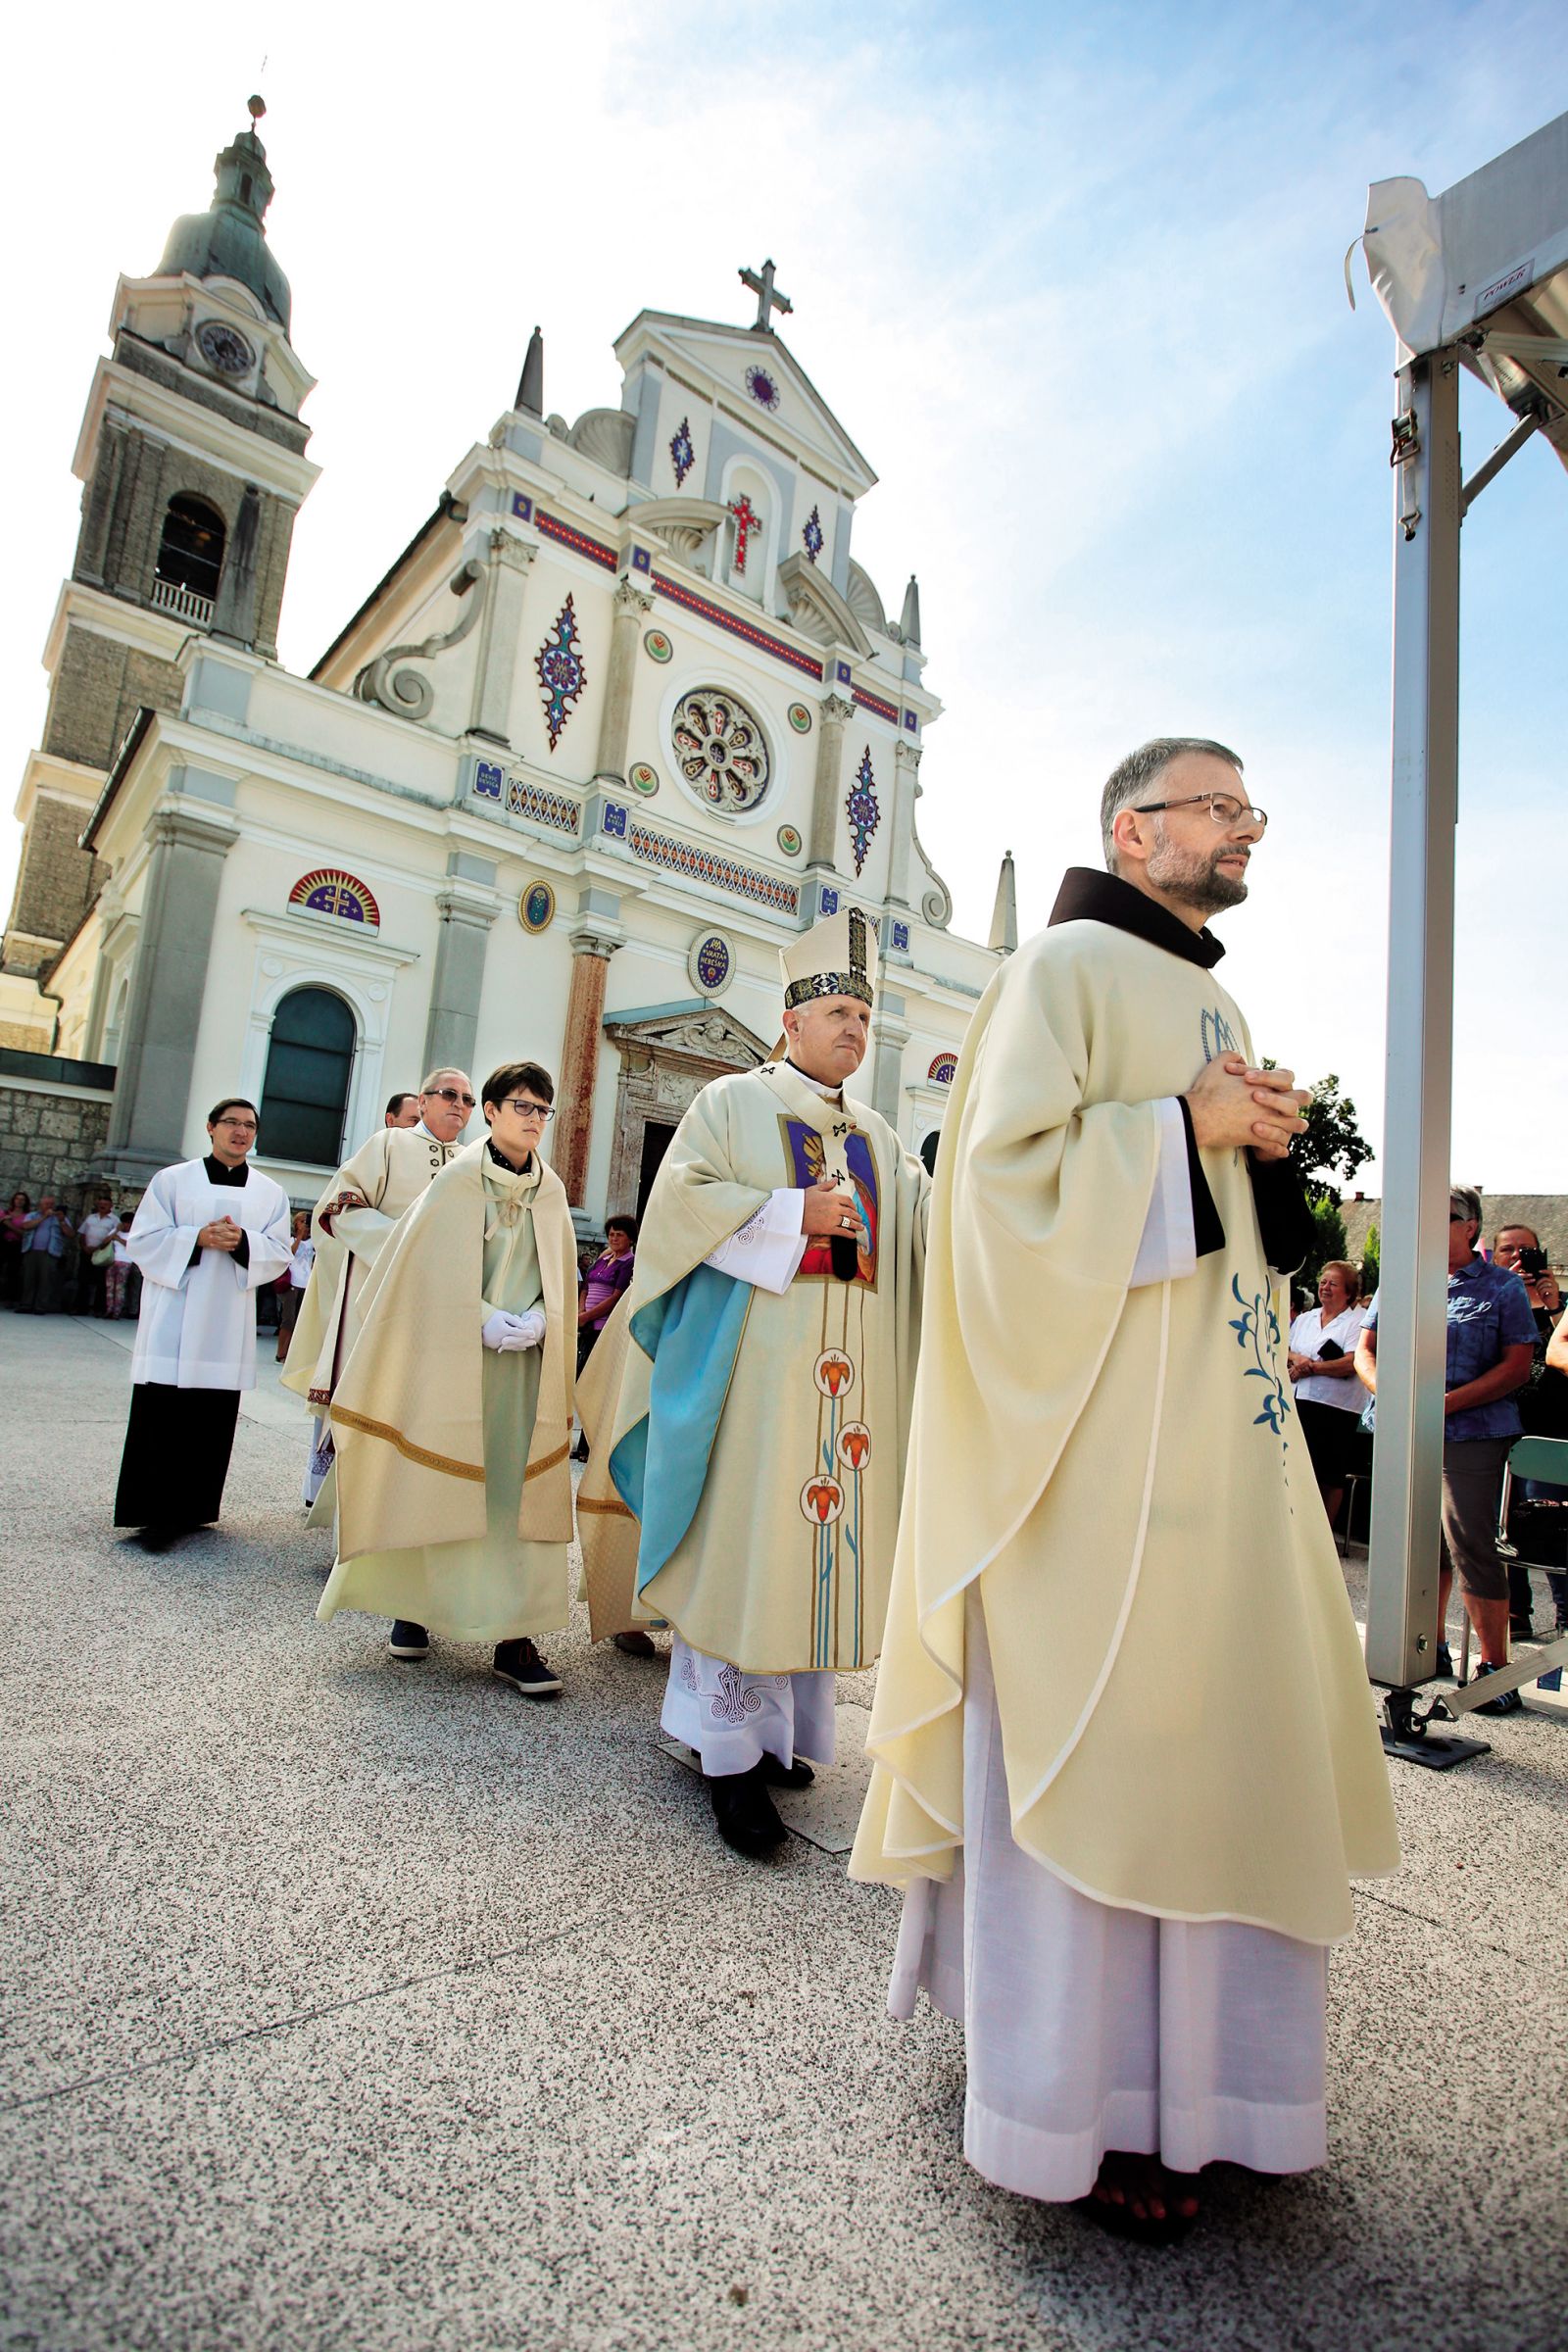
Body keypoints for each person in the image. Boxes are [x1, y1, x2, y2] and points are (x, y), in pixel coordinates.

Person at [852, 739, 1398, 2239]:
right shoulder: (1060, 968)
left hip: (1217, 1443)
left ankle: (1217, 2093)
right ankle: (1074, 2108)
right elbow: (997, 1199)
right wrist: (1180, 1129)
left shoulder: (1218, 999)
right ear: (1132, 829)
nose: (1245, 830)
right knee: (1097, 1748)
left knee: (1220, 1746)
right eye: (1219, 807)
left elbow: (1228, 1231)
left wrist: (1261, 1152)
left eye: (1250, 811)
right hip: (1090, 1463)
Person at [576, 907, 931, 1857]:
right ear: (791, 1020)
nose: (855, 1029)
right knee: (744, 1554)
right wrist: (789, 1210)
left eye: (865, 1015)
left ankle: (775, 1737)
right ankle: (725, 1755)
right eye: (839, 1013)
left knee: (805, 1560)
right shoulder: (731, 1104)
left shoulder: (882, 1139)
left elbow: (929, 1235)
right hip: (751, 1391)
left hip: (846, 1400)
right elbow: (678, 1209)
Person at [317, 1061, 577, 1695]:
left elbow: (560, 1275)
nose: (534, 1119)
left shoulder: (551, 1191)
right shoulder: (457, 1181)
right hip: (453, 1361)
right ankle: (415, 1608)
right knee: (435, 1478)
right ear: (491, 1111)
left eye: (543, 1110)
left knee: (516, 1497)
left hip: (522, 1372)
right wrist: (481, 1318)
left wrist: (541, 1319)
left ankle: (516, 1637)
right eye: (522, 1106)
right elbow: (424, 1271)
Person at [1355, 1186, 1537, 1702]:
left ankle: (1495, 1670)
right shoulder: (1402, 1279)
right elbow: (1365, 1350)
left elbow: (1517, 1366)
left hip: (1471, 1432)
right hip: (1403, 1431)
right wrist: (1389, 1395)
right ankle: (1427, 1646)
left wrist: (1447, 1404)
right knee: (1415, 1544)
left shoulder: (1502, 1286)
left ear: (1470, 1226)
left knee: (1470, 1544)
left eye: (1443, 1214)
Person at [281, 1069, 474, 1506]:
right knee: (365, 1390)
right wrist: (404, 1245)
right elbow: (339, 1211)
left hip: (440, 1303)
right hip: (375, 1295)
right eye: (449, 1094)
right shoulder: (388, 1144)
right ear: (422, 1101)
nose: (459, 1105)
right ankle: (339, 1501)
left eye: (468, 1099)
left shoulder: (472, 1161)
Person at [114, 1100, 292, 1550]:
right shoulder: (172, 1180)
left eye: (249, 1125)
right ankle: (152, 1516)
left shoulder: (270, 1192)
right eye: (231, 1122)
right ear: (211, 1127)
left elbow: (279, 1251)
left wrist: (243, 1242)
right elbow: (143, 1241)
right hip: (174, 1318)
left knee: (210, 1419)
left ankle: (194, 1510)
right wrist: (196, 1237)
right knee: (162, 1414)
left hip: (225, 1324)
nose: (240, 1131)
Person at [1493, 1224, 1564, 1636]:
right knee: (1501, 1525)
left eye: (1527, 1250)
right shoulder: (1490, 1302)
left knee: (1548, 1524)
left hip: (1547, 1433)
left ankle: (1565, 1616)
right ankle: (1514, 1611)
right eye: (1508, 1250)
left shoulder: (1562, 1307)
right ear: (1495, 1257)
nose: (1517, 1257)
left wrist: (1553, 1307)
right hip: (1497, 1427)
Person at [1287, 1259, 1370, 1530]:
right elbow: (1285, 1348)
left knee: (1329, 1474)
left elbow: (1352, 1362)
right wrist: (1297, 1359)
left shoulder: (1358, 1321)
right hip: (1300, 1400)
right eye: (1323, 1282)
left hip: (1337, 1408)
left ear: (1348, 1292)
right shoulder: (1305, 1319)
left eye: (1333, 1284)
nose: (1325, 1287)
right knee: (1298, 1469)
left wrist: (1312, 1368)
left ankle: (1323, 1531)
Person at [570, 1215, 637, 1469]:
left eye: (619, 1234)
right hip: (588, 1327)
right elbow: (586, 1288)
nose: (614, 1238)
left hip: (604, 1329)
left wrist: (587, 1316)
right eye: (611, 1234)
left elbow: (615, 1298)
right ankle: (581, 1443)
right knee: (582, 1381)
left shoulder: (628, 1263)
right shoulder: (602, 1260)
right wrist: (580, 1312)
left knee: (597, 1384)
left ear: (630, 1239)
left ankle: (589, 1445)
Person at [18, 1195, 75, 1314]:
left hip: (50, 1252)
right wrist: (44, 1217)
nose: (49, 1206)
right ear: (41, 1205)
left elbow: (70, 1234)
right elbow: (25, 1226)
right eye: (47, 1204)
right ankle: (26, 1305)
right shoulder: (32, 1215)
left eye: (51, 1204)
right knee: (29, 1279)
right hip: (31, 1251)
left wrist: (62, 1221)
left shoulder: (60, 1218)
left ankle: (41, 1307)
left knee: (46, 1281)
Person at [74, 1190, 123, 1317]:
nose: (102, 1206)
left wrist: (98, 1247)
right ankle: (81, 1308)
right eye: (100, 1204)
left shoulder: (114, 1220)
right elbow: (83, 1233)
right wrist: (84, 1246)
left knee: (101, 1282)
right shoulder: (91, 1218)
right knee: (83, 1280)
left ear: (110, 1206)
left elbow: (114, 1237)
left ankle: (99, 1309)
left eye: (105, 1204)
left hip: (102, 1253)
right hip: (87, 1252)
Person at [274, 1211, 315, 1362]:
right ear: (296, 1223)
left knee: (299, 1320)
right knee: (288, 1320)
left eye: (306, 1222)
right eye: (302, 1221)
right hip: (292, 1283)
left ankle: (290, 1353)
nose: (305, 1224)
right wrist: (299, 1237)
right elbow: (290, 1253)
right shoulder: (290, 1239)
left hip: (306, 1284)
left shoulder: (312, 1242)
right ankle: (281, 1353)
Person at [1, 1190, 32, 1304]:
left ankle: (9, 1298)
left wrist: (8, 1223)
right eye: (17, 1199)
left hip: (16, 1245)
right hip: (3, 1243)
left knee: (13, 1272)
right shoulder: (5, 1212)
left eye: (22, 1199)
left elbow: (25, 1234)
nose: (19, 1201)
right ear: (13, 1200)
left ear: (25, 1202)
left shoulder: (28, 1216)